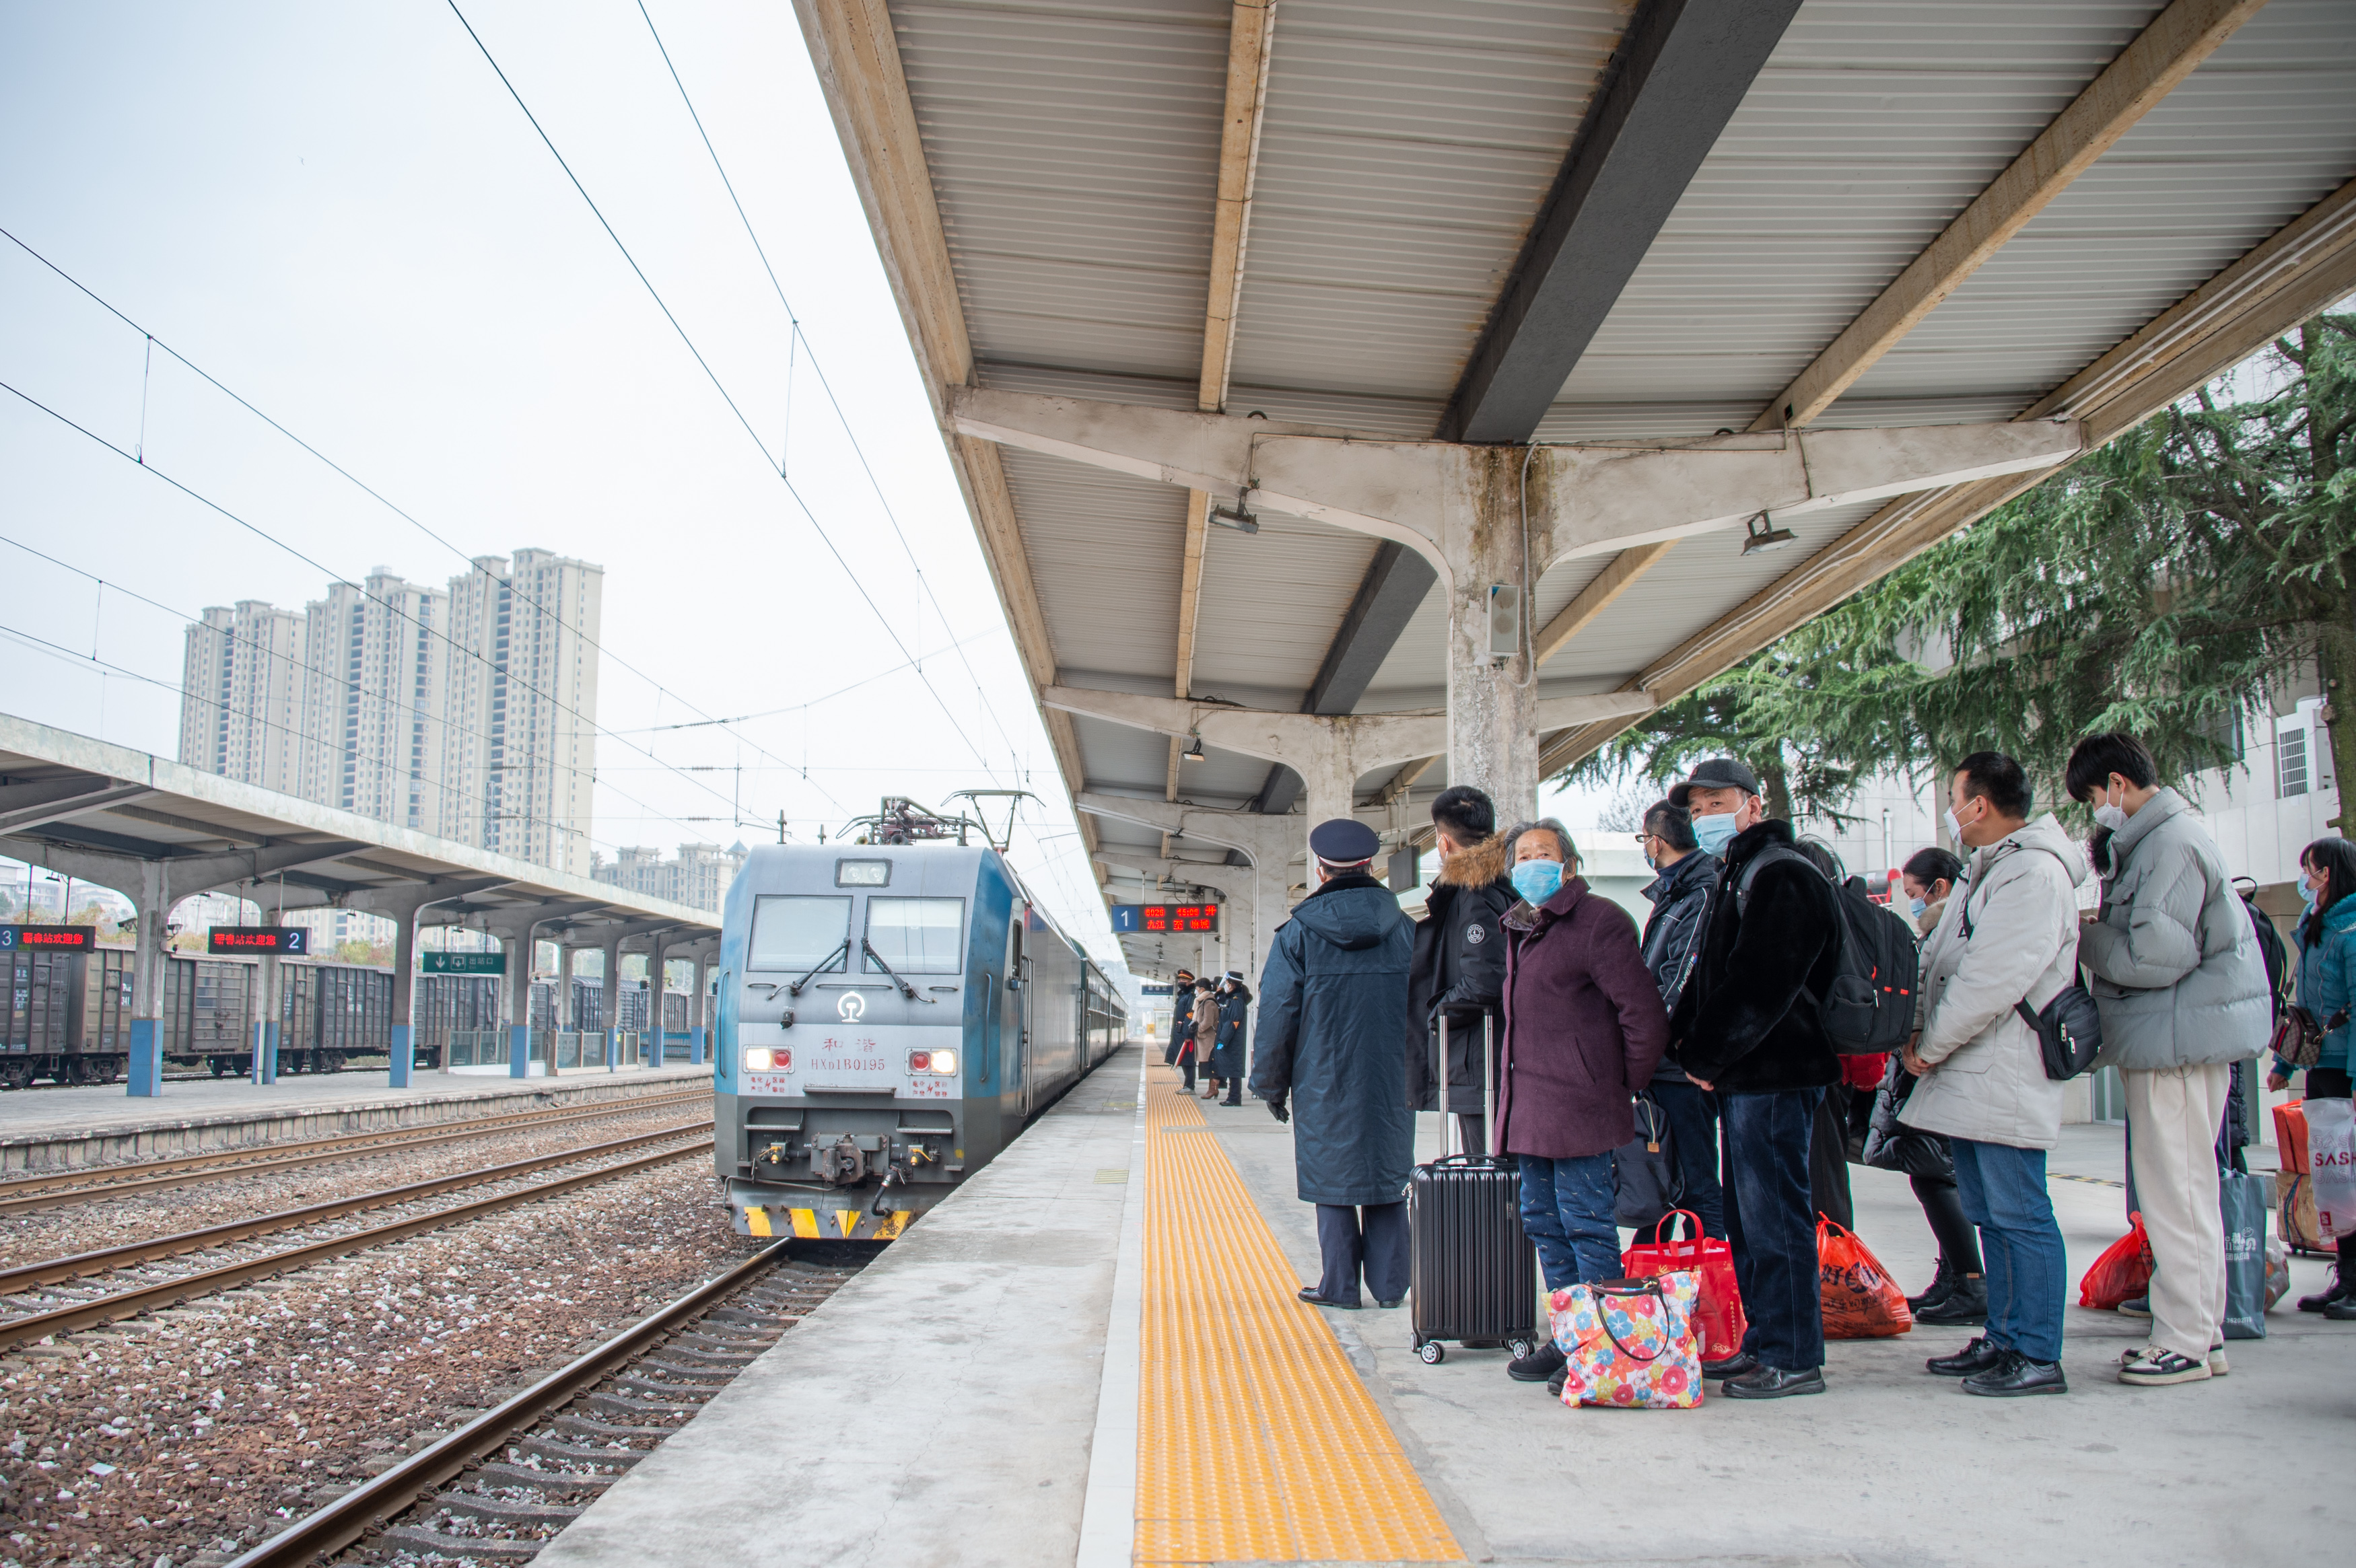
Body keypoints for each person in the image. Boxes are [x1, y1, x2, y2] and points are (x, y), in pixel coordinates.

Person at [2067, 731, 2271, 1386]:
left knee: (2174, 1195)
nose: (2097, 810)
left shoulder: (2168, 844)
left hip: (2174, 1044)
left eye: (2094, 797)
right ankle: (2200, 1333)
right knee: (2184, 1192)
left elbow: (2154, 957)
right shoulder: (2163, 839)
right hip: (2174, 1038)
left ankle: (2182, 1340)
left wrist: (2085, 936)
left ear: (2118, 784)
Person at [1899, 752, 2083, 1396]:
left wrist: (1931, 1044)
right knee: (1990, 1213)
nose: (1952, 810)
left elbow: (1990, 980)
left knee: (2019, 1213)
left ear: (1979, 804)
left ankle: (2036, 1352)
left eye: (1955, 798)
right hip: (1973, 1066)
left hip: (2004, 1067)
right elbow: (1937, 958)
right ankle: (2005, 1337)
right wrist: (1917, 1032)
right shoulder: (1990, 870)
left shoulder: (2033, 874)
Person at [1665, 756, 1842, 1400]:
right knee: (1747, 1220)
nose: (1705, 816)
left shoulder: (1782, 873)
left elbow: (1762, 982)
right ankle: (1766, 1340)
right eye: (1698, 808)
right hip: (1748, 1078)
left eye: (1718, 803)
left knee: (1776, 1220)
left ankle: (1793, 1356)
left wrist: (1705, 1056)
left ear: (1753, 804)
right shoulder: (1739, 872)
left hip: (1775, 1073)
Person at [1494, 818, 1669, 1388]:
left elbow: (1643, 1014)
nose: (1533, 863)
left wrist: (1620, 1084)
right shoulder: (1521, 925)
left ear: (1568, 864)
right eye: (1523, 856)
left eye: (1544, 853)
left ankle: (1605, 1349)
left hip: (1581, 1108)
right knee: (1544, 1224)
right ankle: (1571, 1338)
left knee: (1587, 1226)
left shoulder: (1599, 921)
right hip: (1531, 1107)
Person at [1250, 818, 1418, 1310]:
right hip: (1392, 1078)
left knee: (1334, 1178)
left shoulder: (1297, 935)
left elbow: (1278, 1014)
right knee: (1387, 1177)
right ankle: (1391, 1287)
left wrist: (1270, 1085)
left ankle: (1339, 1286)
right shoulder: (1407, 930)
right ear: (1371, 866)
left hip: (1323, 1079)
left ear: (1321, 871)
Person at [1885, 845, 1986, 1324]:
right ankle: (1953, 1277)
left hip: (1943, 1067)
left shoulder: (1953, 932)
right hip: (1933, 1066)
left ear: (1939, 888)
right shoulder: (1940, 931)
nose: (1911, 901)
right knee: (1937, 1173)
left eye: (1913, 892)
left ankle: (1971, 1281)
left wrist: (1924, 1047)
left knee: (1935, 1174)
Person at [2269, 836, 2356, 1319]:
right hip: (2322, 1069)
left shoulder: (2351, 929)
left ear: (2329, 873)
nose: (2306, 877)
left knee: (2350, 1177)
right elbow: (2306, 1011)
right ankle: (2346, 1279)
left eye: (2311, 869)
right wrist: (2285, 1064)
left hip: (2345, 1071)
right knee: (2334, 1181)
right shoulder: (2315, 926)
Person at [1406, 784, 1517, 1154]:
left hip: (1479, 1060)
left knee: (1487, 1170)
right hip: (1488, 1057)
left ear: (1443, 842)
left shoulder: (1475, 896)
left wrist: (1438, 1011)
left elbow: (1484, 980)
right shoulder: (1501, 886)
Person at [1634, 799, 1725, 1240]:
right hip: (1665, 1062)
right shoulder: (1679, 891)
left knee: (1696, 1182)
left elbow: (1676, 982)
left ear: (1656, 841)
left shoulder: (1700, 893)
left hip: (1679, 1065)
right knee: (1664, 1178)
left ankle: (1710, 1273)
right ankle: (1663, 1271)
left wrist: (1642, 1041)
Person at [1209, 971, 1253, 1106]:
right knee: (1231, 1069)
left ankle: (1234, 1098)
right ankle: (1232, 1097)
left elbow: (1233, 1022)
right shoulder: (1233, 999)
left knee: (1234, 1070)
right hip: (1230, 1041)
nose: (1226, 986)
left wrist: (1223, 1040)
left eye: (1227, 983)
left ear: (1233, 984)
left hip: (1232, 1042)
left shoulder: (1237, 1001)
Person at [1167, 968, 1197, 1074]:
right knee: (1182, 1060)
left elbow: (1189, 1015)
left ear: (1190, 982)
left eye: (1183, 980)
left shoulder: (1190, 996)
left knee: (1187, 1061)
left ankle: (1189, 1083)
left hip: (1185, 1034)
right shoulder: (1183, 995)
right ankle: (1187, 1082)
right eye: (1180, 980)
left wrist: (1187, 1034)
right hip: (1179, 1032)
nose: (1180, 982)